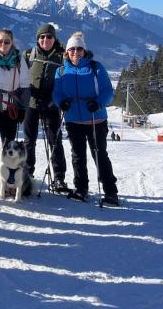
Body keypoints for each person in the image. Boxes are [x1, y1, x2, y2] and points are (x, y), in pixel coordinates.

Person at [53, 33, 119, 205]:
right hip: (73, 120)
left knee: (99, 155)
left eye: (79, 48)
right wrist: (62, 103)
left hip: (95, 119)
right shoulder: (60, 71)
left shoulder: (96, 68)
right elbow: (57, 93)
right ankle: (81, 188)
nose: (76, 52)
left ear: (84, 50)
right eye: (72, 49)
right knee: (78, 156)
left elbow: (107, 91)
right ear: (67, 52)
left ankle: (110, 191)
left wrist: (98, 103)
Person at [0, 28, 30, 191]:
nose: (3, 44)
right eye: (0, 41)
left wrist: (22, 108)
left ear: (12, 42)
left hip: (11, 105)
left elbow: (24, 85)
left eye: (6, 41)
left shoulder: (19, 60)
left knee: (9, 144)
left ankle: (10, 178)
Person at [22, 23, 68, 191]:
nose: (45, 40)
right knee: (29, 141)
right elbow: (21, 78)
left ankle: (59, 177)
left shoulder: (62, 57)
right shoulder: (29, 54)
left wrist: (52, 98)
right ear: (37, 39)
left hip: (51, 105)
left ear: (54, 39)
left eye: (49, 37)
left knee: (54, 141)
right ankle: (27, 174)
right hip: (32, 104)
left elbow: (66, 80)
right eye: (42, 37)